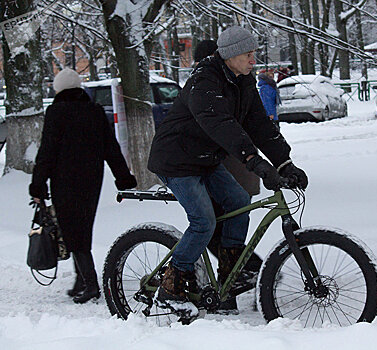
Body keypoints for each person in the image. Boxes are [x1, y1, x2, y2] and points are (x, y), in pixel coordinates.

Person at [147, 26, 308, 316]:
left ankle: (231, 273)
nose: (253, 60)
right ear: (232, 55)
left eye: (254, 54)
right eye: (249, 54)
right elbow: (222, 125)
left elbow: (258, 124)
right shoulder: (204, 81)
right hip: (175, 161)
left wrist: (284, 162)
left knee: (238, 200)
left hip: (205, 159)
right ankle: (170, 288)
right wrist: (255, 163)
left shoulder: (242, 81)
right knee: (204, 221)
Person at [29, 68, 137, 304]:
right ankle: (81, 280)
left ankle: (90, 284)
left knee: (72, 230)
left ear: (59, 89)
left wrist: (38, 185)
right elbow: (111, 148)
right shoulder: (95, 111)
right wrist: (123, 177)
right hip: (91, 181)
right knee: (81, 227)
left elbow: (46, 152)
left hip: (64, 180)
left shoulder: (56, 112)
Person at [193, 39, 263, 314]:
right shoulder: (234, 82)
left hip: (230, 166)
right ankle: (246, 280)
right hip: (237, 167)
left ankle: (244, 281)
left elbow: (220, 126)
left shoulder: (226, 85)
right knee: (226, 231)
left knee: (215, 231)